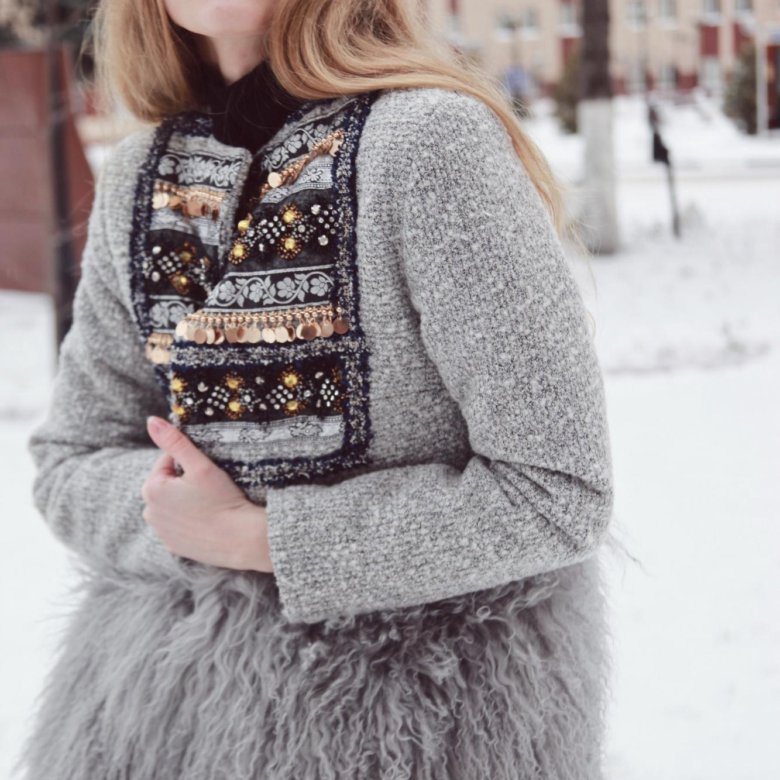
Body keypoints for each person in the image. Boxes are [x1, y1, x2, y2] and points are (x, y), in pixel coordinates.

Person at [17, 0, 618, 778]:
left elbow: (556, 490)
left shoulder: (429, 143)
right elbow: (72, 456)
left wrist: (259, 538)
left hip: (412, 722)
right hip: (160, 722)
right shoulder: (143, 173)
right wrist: (179, 521)